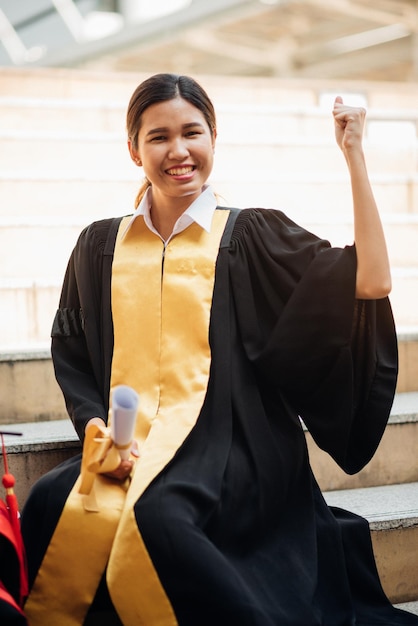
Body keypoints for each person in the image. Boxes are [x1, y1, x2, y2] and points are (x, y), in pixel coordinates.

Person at [21, 73, 418, 626]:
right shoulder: (100, 245)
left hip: (231, 444)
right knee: (53, 501)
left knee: (161, 516)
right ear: (134, 148)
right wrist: (99, 429)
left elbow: (371, 281)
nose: (178, 150)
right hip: (127, 444)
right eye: (159, 137)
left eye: (192, 132)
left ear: (213, 138)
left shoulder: (249, 237)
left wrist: (354, 155)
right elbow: (72, 353)